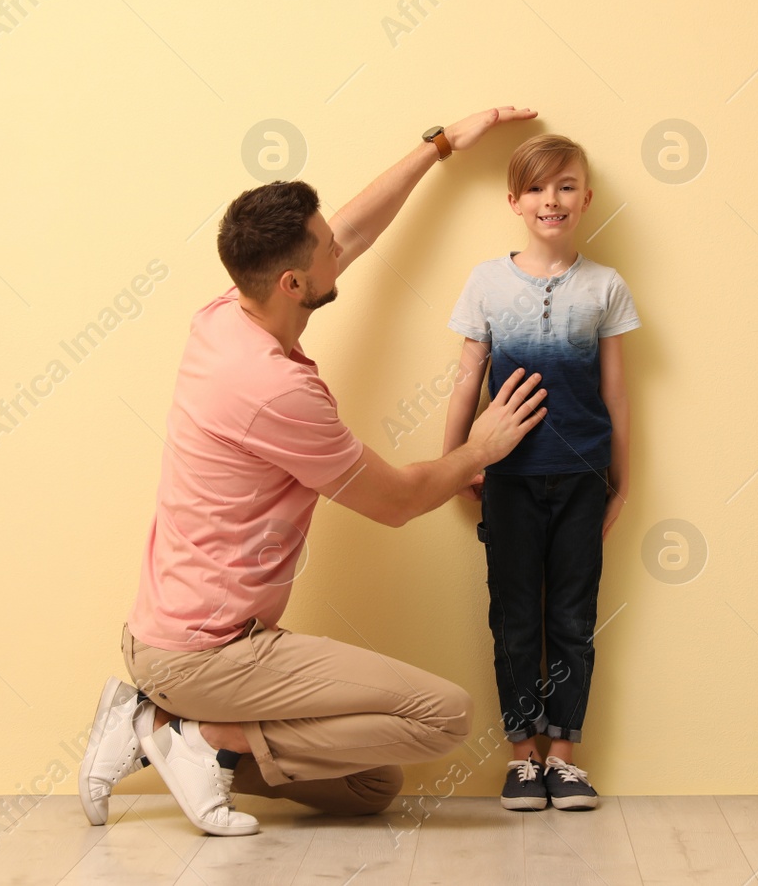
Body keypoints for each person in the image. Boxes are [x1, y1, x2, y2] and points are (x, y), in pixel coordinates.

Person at [75, 108, 552, 836]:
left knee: (368, 784)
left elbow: (351, 231)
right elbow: (395, 501)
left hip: (165, 640)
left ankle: (158, 720)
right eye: (328, 248)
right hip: (212, 650)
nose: (343, 247)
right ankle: (200, 735)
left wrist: (436, 147)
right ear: (296, 282)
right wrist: (478, 450)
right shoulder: (274, 391)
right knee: (441, 716)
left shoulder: (225, 314)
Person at [442, 133, 639, 812]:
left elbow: (616, 393)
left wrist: (623, 479)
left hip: (583, 477)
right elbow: (467, 378)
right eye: (536, 188)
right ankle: (522, 756)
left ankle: (565, 755)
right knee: (516, 616)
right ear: (514, 200)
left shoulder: (606, 286)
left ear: (585, 197)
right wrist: (454, 464)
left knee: (573, 619)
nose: (550, 200)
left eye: (564, 186)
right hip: (509, 478)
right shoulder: (486, 281)